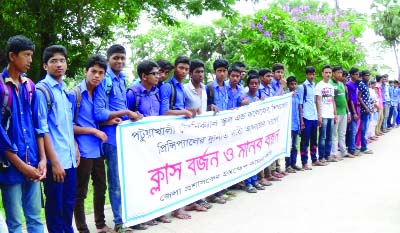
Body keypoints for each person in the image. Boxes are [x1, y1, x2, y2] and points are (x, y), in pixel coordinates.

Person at [93, 44, 143, 232]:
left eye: (122, 58)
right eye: (116, 58)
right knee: (115, 182)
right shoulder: (103, 81)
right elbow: (99, 113)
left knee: (127, 179)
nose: (119, 61)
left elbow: (123, 110)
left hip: (125, 138)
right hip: (111, 139)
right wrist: (126, 112)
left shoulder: (122, 80)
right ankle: (120, 222)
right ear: (108, 60)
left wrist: (133, 115)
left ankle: (130, 217)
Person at [0, 35, 45, 232]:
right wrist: (21, 166)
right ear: (12, 56)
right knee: (15, 222)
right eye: (26, 55)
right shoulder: (1, 87)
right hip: (10, 168)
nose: (30, 60)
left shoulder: (30, 86)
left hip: (33, 162)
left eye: (31, 55)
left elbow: (38, 125)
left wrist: (42, 159)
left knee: (35, 218)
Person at [67, 55, 114, 233]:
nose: (97, 76)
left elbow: (97, 119)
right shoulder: (74, 94)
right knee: (80, 192)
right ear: (86, 71)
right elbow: (68, 126)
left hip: (98, 148)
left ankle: (100, 224)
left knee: (101, 186)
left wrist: (108, 122)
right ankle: (82, 228)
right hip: (83, 150)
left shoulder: (100, 92)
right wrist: (93, 131)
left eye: (101, 73)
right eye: (93, 71)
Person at [33, 45, 77, 233]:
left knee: (68, 205)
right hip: (55, 162)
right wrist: (55, 162)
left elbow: (67, 126)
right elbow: (43, 130)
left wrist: (74, 146)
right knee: (55, 208)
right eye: (53, 61)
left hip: (70, 161)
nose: (59, 64)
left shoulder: (63, 91)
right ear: (45, 66)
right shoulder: (41, 91)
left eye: (62, 60)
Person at [160, 56, 196, 219]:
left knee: (182, 169)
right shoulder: (168, 87)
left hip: (181, 133)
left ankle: (181, 205)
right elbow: (164, 111)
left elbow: (180, 107)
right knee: (171, 171)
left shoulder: (181, 87)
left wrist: (190, 110)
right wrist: (184, 112)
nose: (184, 71)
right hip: (170, 135)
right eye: (181, 68)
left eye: (186, 69)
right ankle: (173, 208)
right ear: (175, 68)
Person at [240, 72, 266, 193]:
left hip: (256, 132)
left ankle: (255, 180)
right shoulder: (243, 97)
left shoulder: (257, 99)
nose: (254, 85)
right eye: (252, 83)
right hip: (245, 133)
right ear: (248, 84)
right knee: (247, 158)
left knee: (255, 156)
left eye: (256, 83)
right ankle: (248, 183)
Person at [298, 66, 325, 170]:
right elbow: (300, 104)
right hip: (306, 117)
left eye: (313, 74)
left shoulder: (314, 85)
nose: (312, 76)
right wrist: (301, 120)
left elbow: (316, 102)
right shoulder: (302, 87)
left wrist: (319, 116)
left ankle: (314, 159)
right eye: (310, 74)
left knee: (314, 140)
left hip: (313, 117)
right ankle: (304, 162)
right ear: (306, 75)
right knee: (305, 141)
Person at [315, 65, 337, 164]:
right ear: (322, 73)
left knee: (329, 136)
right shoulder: (319, 85)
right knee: (322, 137)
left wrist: (335, 114)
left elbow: (333, 101)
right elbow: (318, 101)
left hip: (331, 115)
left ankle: (328, 155)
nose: (328, 74)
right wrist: (319, 115)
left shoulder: (331, 86)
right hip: (323, 115)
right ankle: (321, 157)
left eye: (329, 72)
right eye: (326, 72)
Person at [330, 66, 350, 160]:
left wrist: (348, 112)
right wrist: (334, 113)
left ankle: (344, 152)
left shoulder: (341, 84)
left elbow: (344, 99)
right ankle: (333, 154)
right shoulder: (330, 84)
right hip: (336, 113)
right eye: (338, 72)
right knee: (334, 134)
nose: (340, 74)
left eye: (341, 73)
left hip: (344, 112)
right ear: (333, 73)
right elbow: (332, 99)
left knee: (342, 133)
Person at [285, 76, 302, 173]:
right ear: (288, 85)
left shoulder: (298, 95)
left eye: (295, 84)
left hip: (296, 123)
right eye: (291, 84)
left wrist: (301, 121)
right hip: (289, 124)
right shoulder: (286, 95)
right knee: (289, 145)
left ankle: (294, 163)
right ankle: (288, 165)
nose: (294, 86)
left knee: (295, 145)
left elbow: (300, 108)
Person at [358, 70, 373, 154]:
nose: (368, 77)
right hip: (364, 110)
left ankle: (363, 146)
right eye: (366, 75)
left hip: (367, 109)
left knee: (365, 129)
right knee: (364, 129)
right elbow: (359, 97)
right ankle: (364, 147)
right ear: (363, 76)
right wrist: (366, 108)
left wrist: (370, 107)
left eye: (369, 75)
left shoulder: (366, 84)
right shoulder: (361, 84)